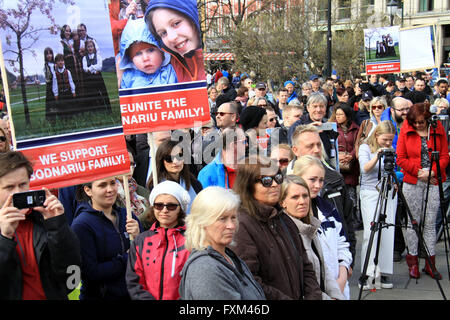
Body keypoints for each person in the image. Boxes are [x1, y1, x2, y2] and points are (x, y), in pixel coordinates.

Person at [232, 155, 322, 300]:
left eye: (278, 178)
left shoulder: (284, 218)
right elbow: (249, 280)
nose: (275, 184)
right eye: (266, 181)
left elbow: (306, 266)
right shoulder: (241, 225)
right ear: (248, 185)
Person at [0, 151, 81, 299]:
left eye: (23, 184)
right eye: (9, 187)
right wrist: (4, 238)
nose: (18, 192)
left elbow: (72, 274)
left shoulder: (43, 217)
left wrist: (57, 225)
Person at [179, 186, 265, 300]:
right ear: (203, 221)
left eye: (233, 217)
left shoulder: (228, 256)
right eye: (222, 219)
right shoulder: (205, 269)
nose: (231, 226)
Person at [396, 102, 449, 280]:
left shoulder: (437, 128)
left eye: (421, 122)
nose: (418, 125)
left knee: (430, 222)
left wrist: (433, 171)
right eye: (415, 122)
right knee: (413, 223)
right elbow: (401, 158)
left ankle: (430, 263)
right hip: (413, 180)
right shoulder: (406, 129)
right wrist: (420, 172)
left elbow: (444, 155)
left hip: (433, 180)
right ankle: (413, 263)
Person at [71, 177, 142, 300]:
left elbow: (147, 254)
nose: (110, 190)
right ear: (88, 190)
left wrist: (139, 237)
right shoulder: (81, 225)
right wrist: (127, 258)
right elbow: (91, 272)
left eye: (112, 183)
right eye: (102, 185)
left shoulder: (127, 215)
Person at [293, 155, 352, 299]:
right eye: (312, 180)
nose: (318, 185)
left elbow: (342, 243)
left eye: (321, 180)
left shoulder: (328, 208)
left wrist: (343, 274)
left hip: (339, 285)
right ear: (298, 177)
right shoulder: (291, 215)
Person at [280, 175, 347, 300]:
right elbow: (302, 283)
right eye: (295, 197)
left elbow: (323, 269)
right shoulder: (286, 234)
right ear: (282, 202)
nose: (302, 201)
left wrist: (336, 295)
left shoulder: (311, 227)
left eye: (305, 196)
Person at [126, 181, 190, 299]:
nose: (164, 210)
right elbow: (134, 281)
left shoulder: (191, 241)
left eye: (171, 206)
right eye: (159, 205)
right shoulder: (141, 241)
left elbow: (193, 283)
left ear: (180, 209)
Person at [358, 120, 397, 290]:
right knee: (370, 231)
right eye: (385, 140)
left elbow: (392, 169)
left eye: (391, 140)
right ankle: (368, 271)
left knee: (388, 231)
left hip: (387, 191)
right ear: (377, 135)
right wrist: (378, 155)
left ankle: (385, 271)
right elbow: (364, 169)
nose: (388, 143)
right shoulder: (365, 147)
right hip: (370, 192)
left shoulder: (390, 149)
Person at [145, 0, 206, 82]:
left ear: (192, 17)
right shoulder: (171, 68)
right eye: (163, 33)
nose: (171, 38)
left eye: (176, 23)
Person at [147, 139, 202, 212]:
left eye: (180, 156)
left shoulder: (194, 183)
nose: (175, 162)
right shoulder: (155, 185)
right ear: (161, 161)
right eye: (169, 158)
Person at [119, 18, 177, 89]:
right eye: (138, 54)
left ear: (162, 51)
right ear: (130, 58)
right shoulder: (128, 77)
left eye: (150, 50)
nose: (145, 58)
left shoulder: (169, 72)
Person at [330, 104, 360, 198]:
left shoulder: (355, 129)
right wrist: (338, 156)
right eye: (337, 114)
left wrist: (352, 155)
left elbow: (359, 143)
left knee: (351, 198)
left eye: (341, 114)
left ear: (347, 115)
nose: (337, 116)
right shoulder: (332, 127)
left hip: (351, 167)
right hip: (337, 165)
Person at [82, 39, 112, 114]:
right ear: (86, 48)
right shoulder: (84, 58)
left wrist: (91, 68)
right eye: (88, 47)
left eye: (91, 46)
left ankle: (108, 109)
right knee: (91, 93)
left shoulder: (98, 56)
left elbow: (100, 67)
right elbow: (85, 69)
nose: (90, 48)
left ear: (94, 48)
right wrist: (93, 68)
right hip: (89, 78)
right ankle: (94, 110)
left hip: (97, 76)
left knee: (103, 92)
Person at [52, 53, 76, 119]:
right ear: (56, 63)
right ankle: (63, 120)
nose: (60, 62)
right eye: (58, 61)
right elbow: (55, 84)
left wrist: (73, 91)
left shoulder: (67, 72)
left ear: (64, 62)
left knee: (69, 107)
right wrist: (56, 94)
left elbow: (71, 81)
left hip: (68, 92)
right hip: (61, 94)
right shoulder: (55, 73)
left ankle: (70, 119)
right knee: (62, 109)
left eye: (62, 61)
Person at [43, 47, 57, 122]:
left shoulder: (55, 64)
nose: (49, 56)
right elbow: (47, 78)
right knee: (51, 103)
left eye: (50, 53)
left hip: (56, 85)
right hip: (50, 86)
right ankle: (51, 120)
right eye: (47, 54)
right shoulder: (46, 66)